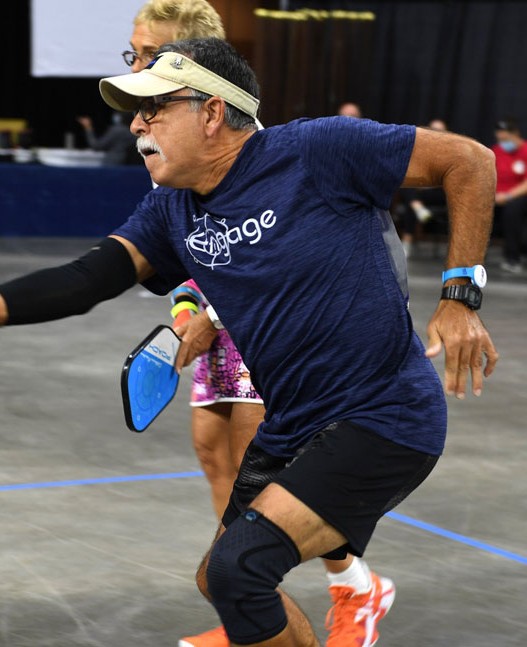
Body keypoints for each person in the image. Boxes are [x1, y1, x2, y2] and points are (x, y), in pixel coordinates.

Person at [0, 38, 498, 647]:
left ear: (213, 113)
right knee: (218, 578)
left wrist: (459, 296)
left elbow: (468, 161)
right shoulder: (170, 211)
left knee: (239, 570)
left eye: (154, 108)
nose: (139, 125)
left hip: (383, 415)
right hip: (294, 427)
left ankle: (356, 595)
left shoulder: (314, 150)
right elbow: (82, 282)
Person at [122, 5, 381, 645]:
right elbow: (192, 246)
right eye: (132, 55)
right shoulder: (162, 128)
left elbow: (263, 255)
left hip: (266, 334)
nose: (135, 68)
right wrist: (188, 307)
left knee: (259, 471)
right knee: (213, 455)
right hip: (215, 327)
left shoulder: (250, 140)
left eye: (147, 54)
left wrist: (210, 313)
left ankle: (355, 586)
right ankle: (244, 613)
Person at [491, 119, 527, 273]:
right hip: (497, 196)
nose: (503, 142)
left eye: (506, 139)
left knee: (513, 208)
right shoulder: (495, 151)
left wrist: (508, 196)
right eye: (500, 139)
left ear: (516, 134)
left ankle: (512, 259)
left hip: (526, 198)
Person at [396, 118, 449, 256]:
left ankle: (407, 241)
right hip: (419, 189)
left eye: (439, 131)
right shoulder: (418, 150)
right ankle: (417, 207)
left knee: (412, 199)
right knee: (406, 187)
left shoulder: (449, 152)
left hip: (439, 191)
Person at [76, 112, 142, 165]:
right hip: (128, 164)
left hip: (112, 165)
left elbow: (96, 145)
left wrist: (88, 128)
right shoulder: (132, 132)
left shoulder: (117, 130)